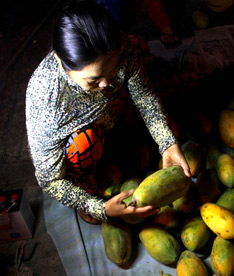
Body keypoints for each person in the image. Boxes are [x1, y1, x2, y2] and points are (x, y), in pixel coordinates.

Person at [25, 1, 191, 224]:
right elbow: (50, 181)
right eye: (93, 80)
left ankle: (128, 129)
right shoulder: (46, 101)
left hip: (114, 112)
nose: (106, 83)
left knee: (138, 46)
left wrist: (167, 142)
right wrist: (101, 208)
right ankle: (90, 186)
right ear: (63, 63)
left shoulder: (118, 46)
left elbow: (144, 96)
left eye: (112, 71)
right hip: (87, 139)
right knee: (83, 143)